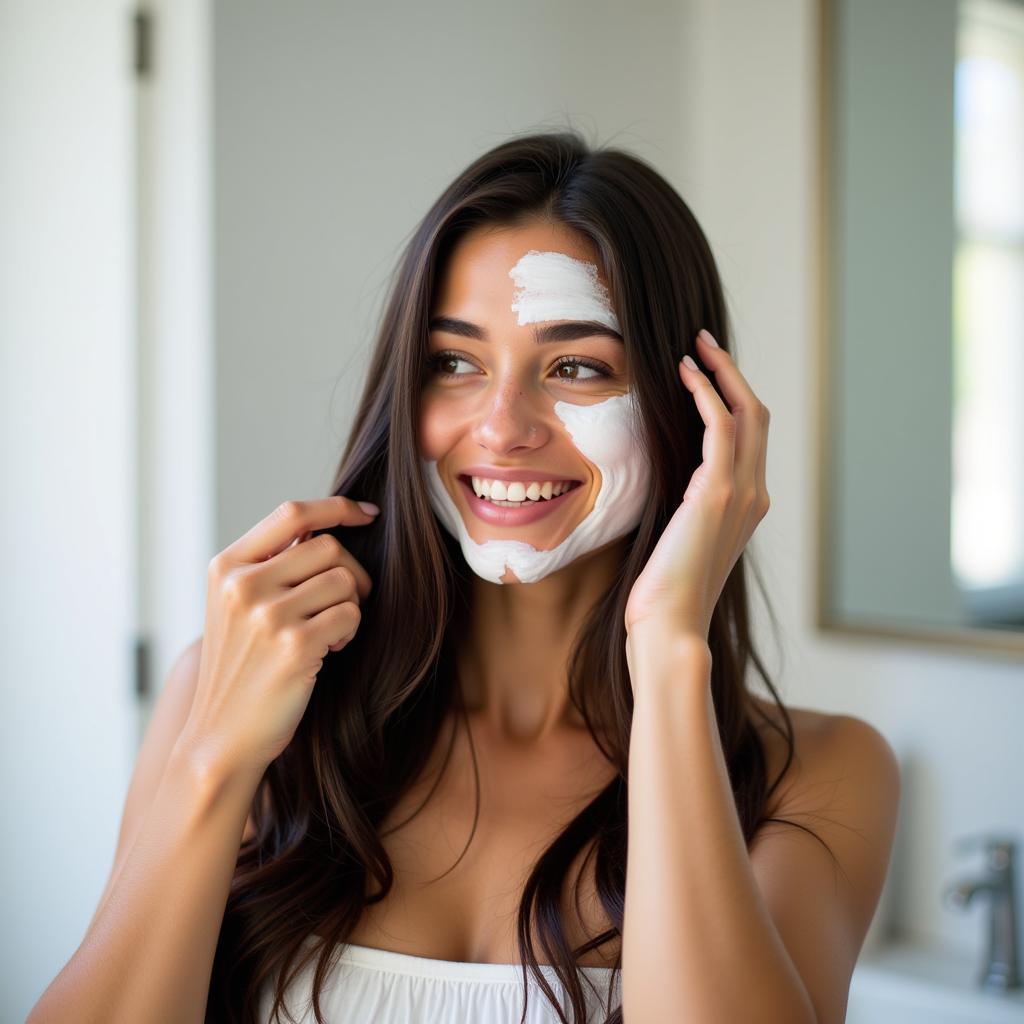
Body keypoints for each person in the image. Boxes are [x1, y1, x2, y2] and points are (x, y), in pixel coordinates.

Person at [28, 130, 900, 1024]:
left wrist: (671, 648)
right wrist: (217, 760)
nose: (501, 426)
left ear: (700, 410)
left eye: (576, 367)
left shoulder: (819, 775)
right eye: (454, 363)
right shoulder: (228, 691)